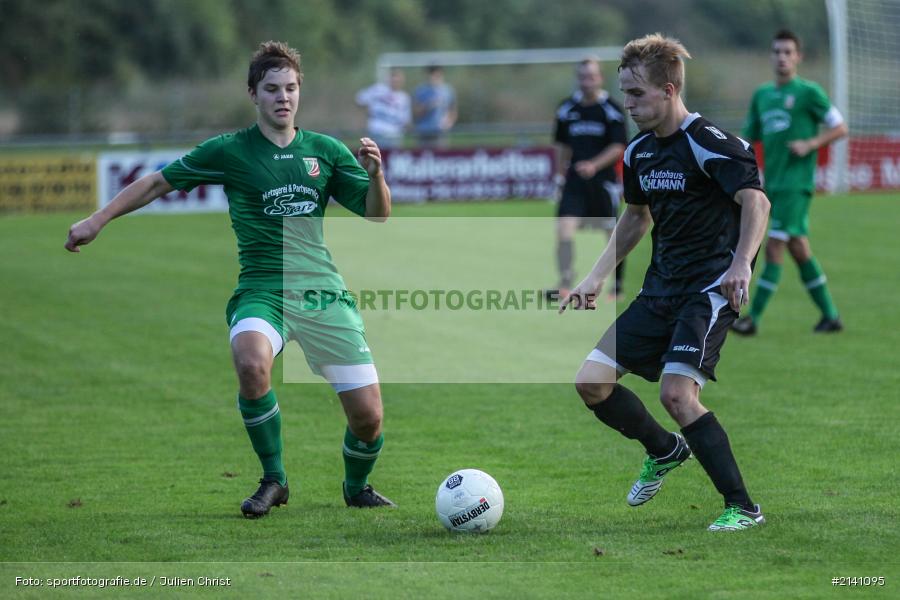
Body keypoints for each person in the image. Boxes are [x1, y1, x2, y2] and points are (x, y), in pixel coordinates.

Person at [65, 41, 395, 518]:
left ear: (300, 92)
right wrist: (98, 220)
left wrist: (376, 175)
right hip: (263, 289)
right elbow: (158, 181)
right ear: (253, 94)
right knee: (250, 361)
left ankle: (357, 485)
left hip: (322, 293)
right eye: (272, 89)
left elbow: (377, 213)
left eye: (291, 88)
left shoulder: (324, 151)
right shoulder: (230, 151)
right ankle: (275, 479)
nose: (283, 97)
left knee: (369, 418)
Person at [560, 34, 771, 531]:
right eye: (624, 93)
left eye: (636, 94)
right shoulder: (638, 153)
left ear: (669, 89)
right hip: (660, 290)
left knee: (677, 395)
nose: (627, 103)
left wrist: (742, 262)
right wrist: (594, 278)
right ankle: (665, 449)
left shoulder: (708, 142)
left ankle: (743, 507)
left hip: (710, 290)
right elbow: (636, 219)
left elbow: (756, 202)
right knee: (591, 383)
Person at [732, 29, 848, 336]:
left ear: (798, 57)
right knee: (799, 249)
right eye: (777, 52)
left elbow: (839, 127)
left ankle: (751, 319)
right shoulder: (763, 95)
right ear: (771, 56)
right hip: (773, 186)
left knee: (773, 249)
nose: (782, 57)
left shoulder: (809, 92)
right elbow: (748, 138)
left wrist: (811, 143)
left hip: (797, 185)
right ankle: (830, 316)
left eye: (788, 52)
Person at [547, 58, 627, 301]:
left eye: (591, 77)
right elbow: (562, 146)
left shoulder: (611, 110)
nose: (586, 82)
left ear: (600, 78)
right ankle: (565, 283)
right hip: (574, 182)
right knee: (564, 228)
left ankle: (616, 287)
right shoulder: (566, 109)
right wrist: (560, 176)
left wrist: (594, 165)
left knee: (612, 234)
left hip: (603, 182)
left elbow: (618, 146)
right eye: (582, 77)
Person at [355, 67, 411, 149]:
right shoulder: (378, 89)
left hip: (394, 136)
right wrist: (367, 112)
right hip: (377, 133)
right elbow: (359, 99)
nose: (395, 80)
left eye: (398, 78)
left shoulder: (404, 98)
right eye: (393, 77)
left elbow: (406, 120)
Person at [412, 65, 457, 147]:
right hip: (424, 132)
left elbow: (453, 111)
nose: (434, 77)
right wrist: (429, 105)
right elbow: (416, 113)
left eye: (437, 74)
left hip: (440, 133)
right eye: (431, 73)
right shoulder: (420, 91)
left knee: (441, 157)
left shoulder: (448, 90)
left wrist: (449, 123)